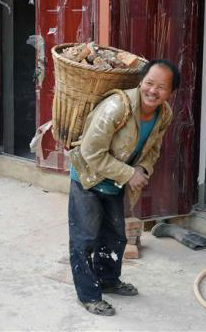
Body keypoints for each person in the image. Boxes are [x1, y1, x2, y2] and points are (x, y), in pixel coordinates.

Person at [68, 59, 179, 316]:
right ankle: (88, 296)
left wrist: (143, 170)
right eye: (149, 83)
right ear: (141, 82)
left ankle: (108, 280)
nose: (153, 91)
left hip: (117, 181)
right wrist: (130, 173)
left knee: (115, 236)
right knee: (85, 238)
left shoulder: (164, 114)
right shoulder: (117, 106)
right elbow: (90, 152)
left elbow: (153, 149)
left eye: (161, 87)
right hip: (88, 178)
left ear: (171, 92)